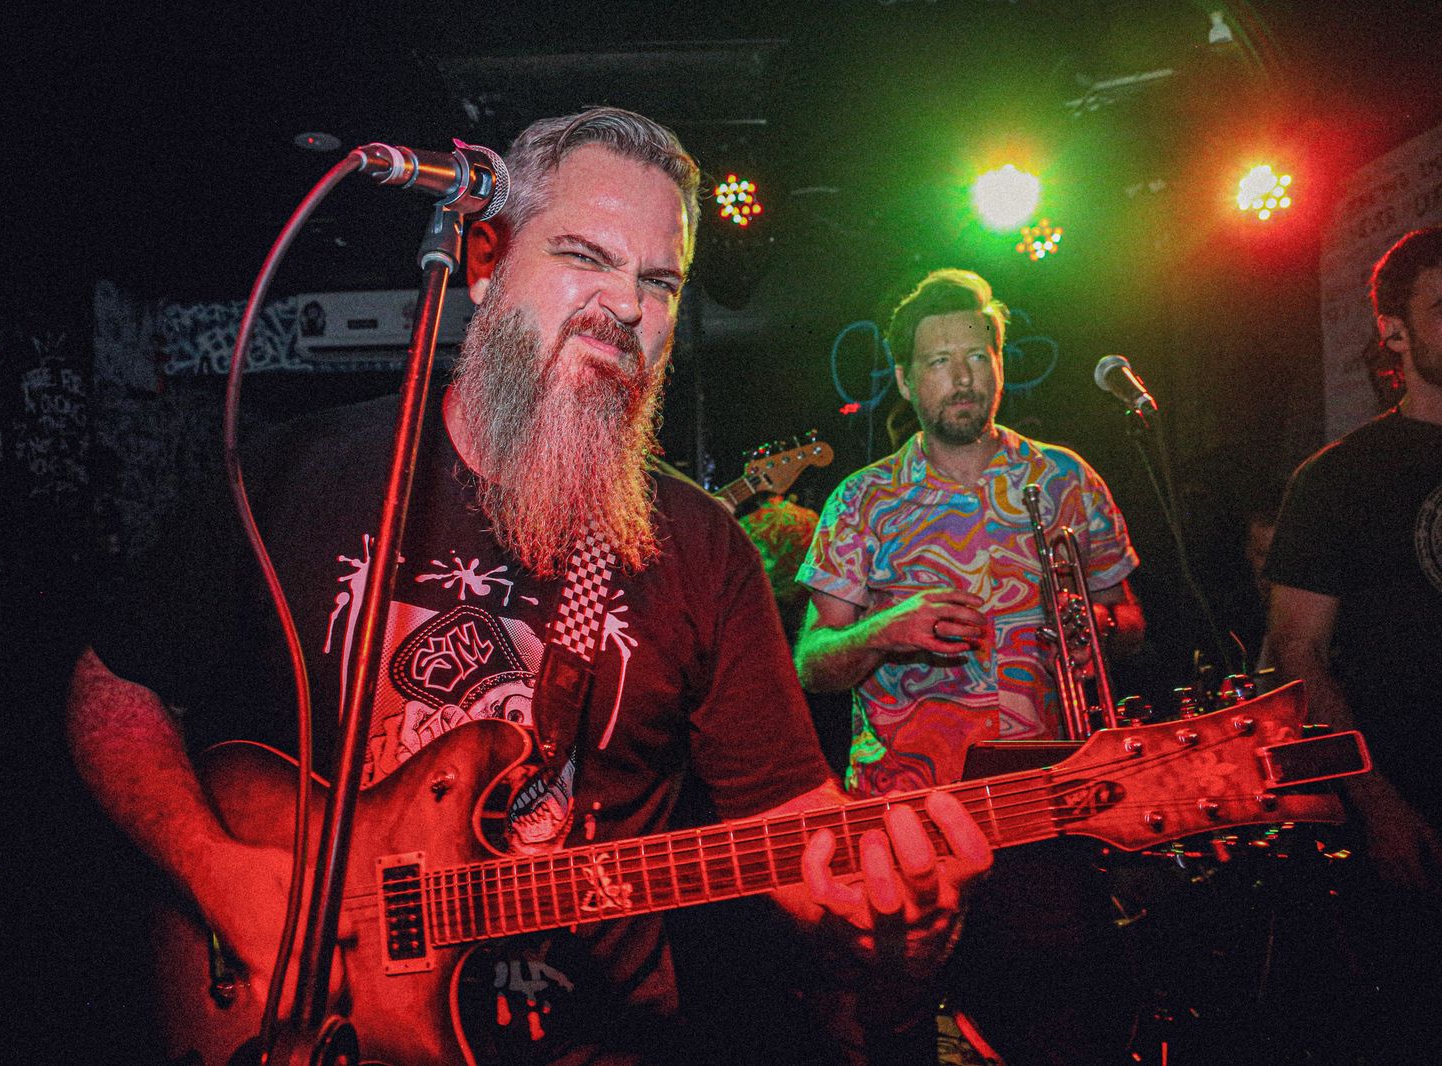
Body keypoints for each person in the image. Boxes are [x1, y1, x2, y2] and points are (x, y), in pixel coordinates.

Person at [66, 108, 990, 1065]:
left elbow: (786, 831)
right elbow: (112, 686)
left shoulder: (703, 549)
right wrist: (213, 869)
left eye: (659, 281)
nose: (626, 304)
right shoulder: (296, 471)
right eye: (586, 256)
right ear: (484, 262)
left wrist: (887, 914)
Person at [793, 268, 1144, 1065]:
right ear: (906, 380)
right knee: (903, 1038)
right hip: (903, 825)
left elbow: (1130, 622)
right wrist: (887, 628)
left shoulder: (1064, 478)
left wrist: (1091, 627)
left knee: (1057, 1035)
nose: (963, 376)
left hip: (1047, 809)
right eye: (940, 361)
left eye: (978, 356)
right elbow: (812, 662)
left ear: (1000, 363)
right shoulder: (863, 499)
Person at [1262, 227, 1442, 1060]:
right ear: (1394, 332)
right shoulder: (1336, 479)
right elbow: (1297, 656)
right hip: (1413, 814)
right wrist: (1378, 805)